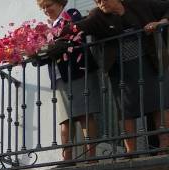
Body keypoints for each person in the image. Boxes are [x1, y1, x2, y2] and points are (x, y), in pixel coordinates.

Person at [63, 0, 169, 152]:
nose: (100, 3)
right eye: (96, 1)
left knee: (160, 103)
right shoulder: (97, 15)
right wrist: (49, 34)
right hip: (121, 70)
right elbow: (77, 28)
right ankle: (131, 152)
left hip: (150, 61)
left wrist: (162, 22)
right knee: (126, 110)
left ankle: (165, 146)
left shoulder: (139, 4)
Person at [39, 0, 100, 162]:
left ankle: (92, 158)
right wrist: (32, 53)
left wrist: (48, 43)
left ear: (60, 3)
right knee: (65, 119)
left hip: (77, 72)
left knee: (84, 115)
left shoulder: (71, 14)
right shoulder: (47, 28)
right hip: (59, 77)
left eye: (48, 5)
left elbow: (72, 36)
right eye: (43, 7)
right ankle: (67, 159)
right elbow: (46, 55)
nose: (46, 10)